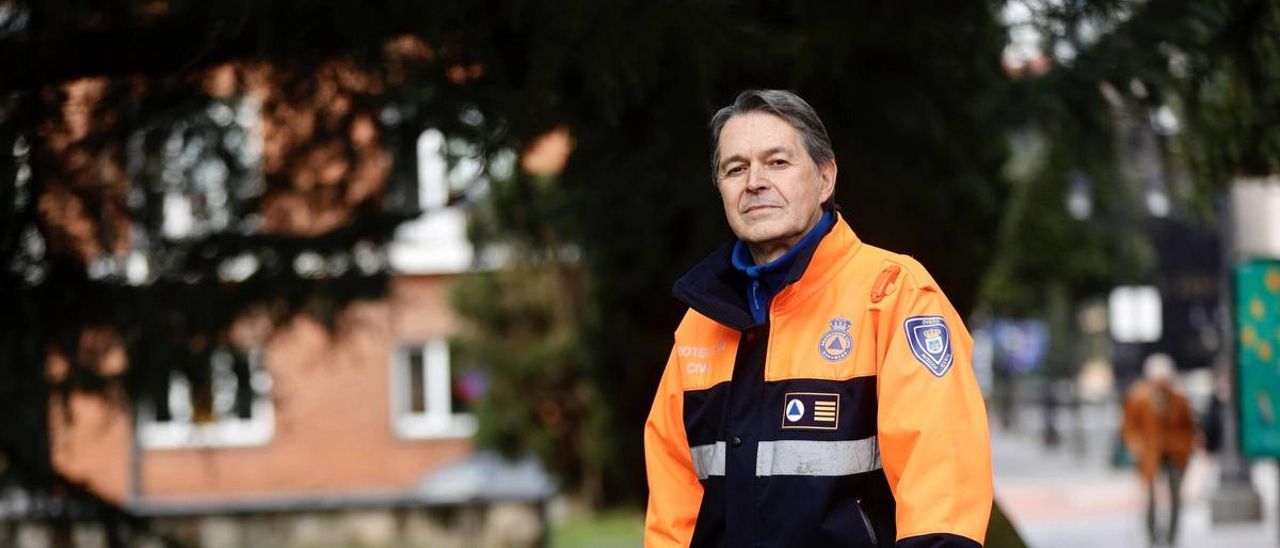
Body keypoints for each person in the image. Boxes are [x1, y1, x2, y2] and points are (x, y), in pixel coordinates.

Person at [643, 89, 993, 548]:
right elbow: (673, 508)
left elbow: (941, 483)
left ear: (825, 179)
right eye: (735, 169)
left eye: (777, 162)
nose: (754, 182)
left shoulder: (893, 295)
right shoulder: (700, 323)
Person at [1122, 354, 1198, 547]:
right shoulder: (1139, 397)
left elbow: (1189, 427)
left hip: (1175, 451)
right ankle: (1152, 535)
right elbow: (1129, 427)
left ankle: (1172, 537)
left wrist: (1185, 446)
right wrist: (1136, 445)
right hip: (1150, 452)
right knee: (1150, 497)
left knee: (1175, 495)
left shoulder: (1179, 398)